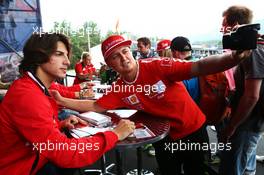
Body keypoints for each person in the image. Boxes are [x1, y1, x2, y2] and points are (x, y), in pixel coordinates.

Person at [52, 34, 250, 175]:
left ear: (131, 52)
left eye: (125, 51)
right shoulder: (121, 87)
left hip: (192, 129)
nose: (123, 57)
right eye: (115, 56)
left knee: (195, 171)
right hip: (163, 136)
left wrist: (232, 58)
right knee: (168, 171)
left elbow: (199, 66)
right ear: (109, 64)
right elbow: (96, 106)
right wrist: (61, 100)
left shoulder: (158, 65)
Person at [0, 33, 135, 175]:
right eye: (59, 54)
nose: (67, 62)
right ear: (38, 57)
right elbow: (64, 152)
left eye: (66, 55)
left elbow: (33, 130)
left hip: (33, 159)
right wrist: (114, 134)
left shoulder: (34, 87)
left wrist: (59, 124)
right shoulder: (28, 95)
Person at [219, 5, 264, 175]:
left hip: (247, 124)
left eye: (224, 26)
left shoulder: (254, 50)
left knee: (233, 167)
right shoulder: (250, 48)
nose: (222, 31)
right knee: (247, 164)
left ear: (235, 25)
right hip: (248, 121)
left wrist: (231, 127)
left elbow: (252, 96)